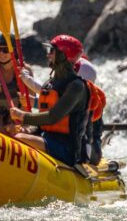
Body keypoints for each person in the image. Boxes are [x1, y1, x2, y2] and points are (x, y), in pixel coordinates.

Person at [9, 34, 90, 167]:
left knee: (19, 139)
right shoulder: (50, 83)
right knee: (15, 133)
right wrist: (29, 130)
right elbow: (44, 125)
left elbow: (52, 117)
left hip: (67, 148)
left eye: (51, 51)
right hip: (47, 137)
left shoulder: (76, 87)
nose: (48, 55)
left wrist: (22, 116)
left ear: (63, 55)